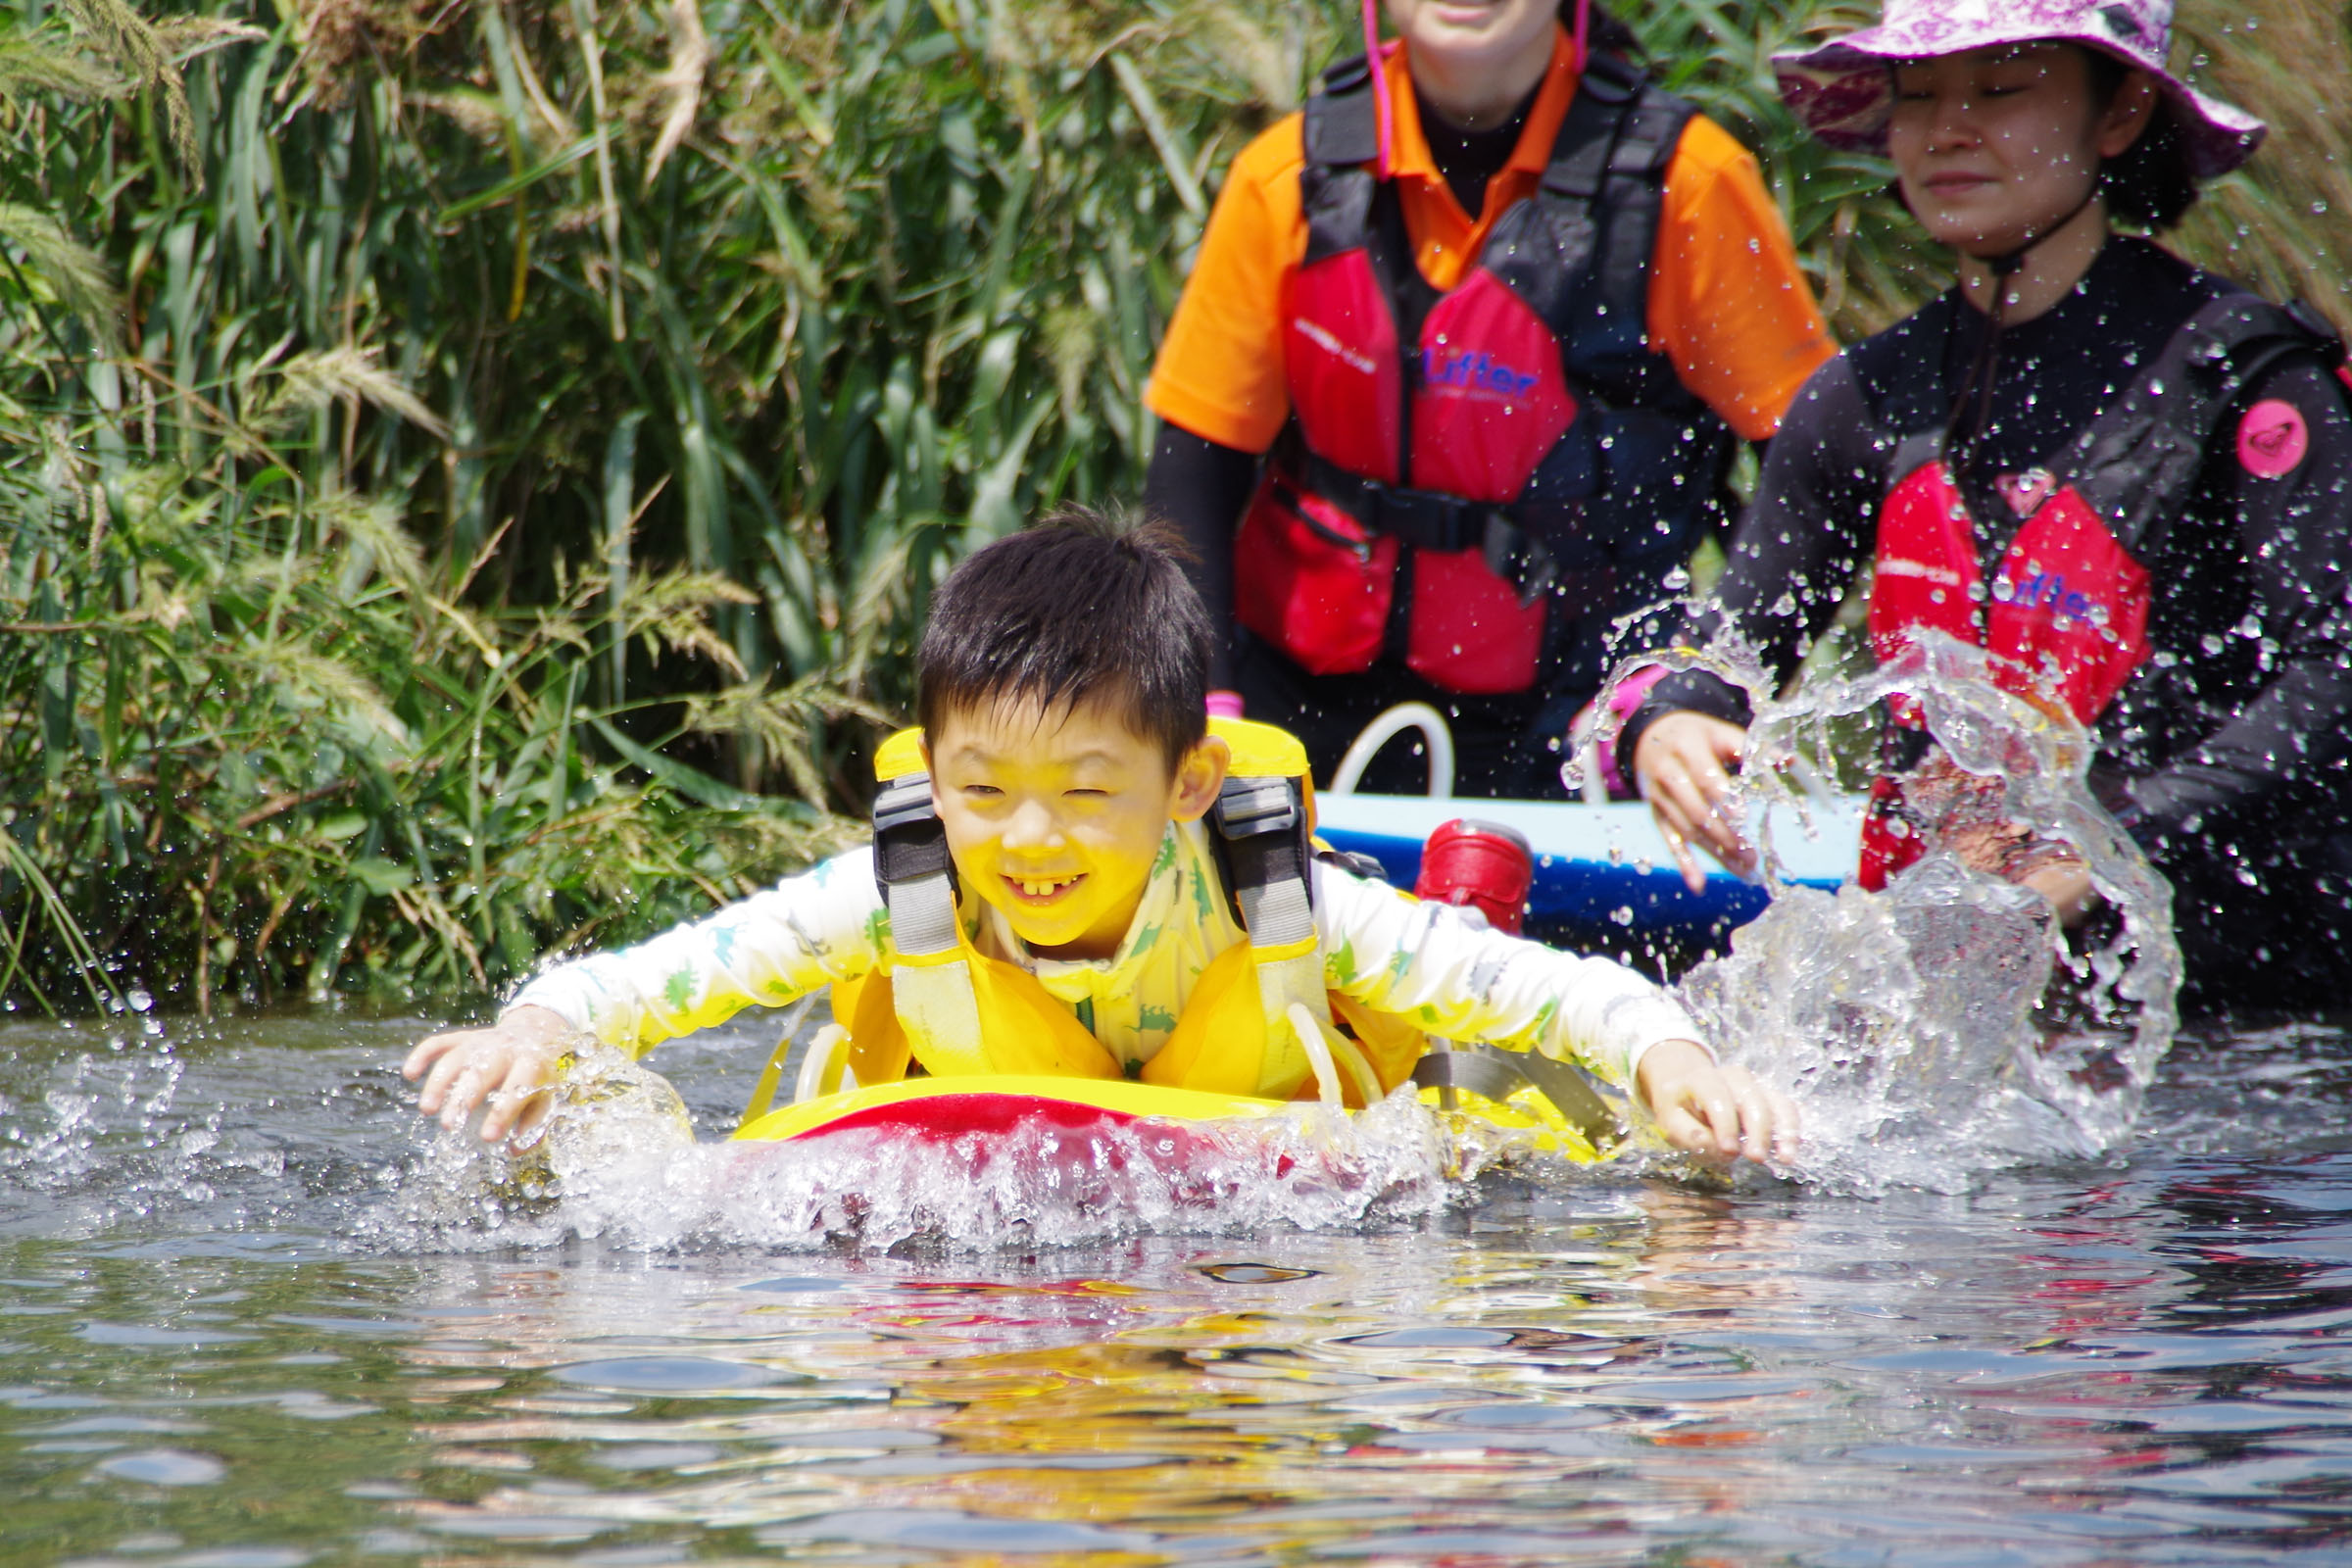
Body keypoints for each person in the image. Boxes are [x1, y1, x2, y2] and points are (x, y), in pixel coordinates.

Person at [405, 513, 1795, 1166]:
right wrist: (531, 1034)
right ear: (935, 779)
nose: (1027, 836)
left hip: (1269, 1180)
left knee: (1529, 1099)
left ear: (1187, 784)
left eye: (1084, 791)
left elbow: (1552, 993)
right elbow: (664, 977)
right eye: (983, 789)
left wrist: (1673, 1059)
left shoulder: (1270, 881)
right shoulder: (903, 885)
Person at [1623, 0, 2352, 1012]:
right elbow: (1734, 642)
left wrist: (2100, 856)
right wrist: (1671, 718)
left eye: (2001, 91)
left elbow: (2335, 676)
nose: (1947, 129)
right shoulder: (1864, 398)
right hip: (1953, 1020)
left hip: (2245, 1021)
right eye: (1919, 97)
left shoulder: (2249, 383)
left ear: (2122, 113)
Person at [1142, 0, 1836, 798]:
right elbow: (1191, 475)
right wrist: (1203, 710)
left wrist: (1699, 688)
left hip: (1584, 736)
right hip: (1294, 716)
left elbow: (1816, 485)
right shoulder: (1284, 178)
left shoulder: (1687, 185)